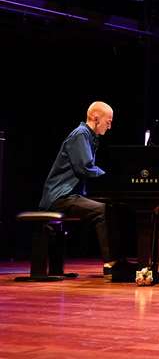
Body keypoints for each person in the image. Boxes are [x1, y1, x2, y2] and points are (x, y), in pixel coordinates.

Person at [39, 101, 117, 274]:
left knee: (113, 206)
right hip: (59, 197)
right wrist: (111, 178)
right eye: (108, 121)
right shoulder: (80, 134)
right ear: (96, 118)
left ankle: (118, 259)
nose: (109, 126)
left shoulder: (88, 136)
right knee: (102, 210)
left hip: (70, 195)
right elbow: (85, 168)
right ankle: (111, 263)